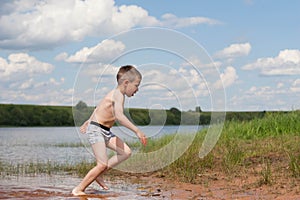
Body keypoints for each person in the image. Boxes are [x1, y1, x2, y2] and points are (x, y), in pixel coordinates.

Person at [72, 65, 147, 196]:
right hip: (96, 130)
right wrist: (137, 131)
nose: (137, 89)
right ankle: (78, 189)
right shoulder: (117, 95)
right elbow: (119, 117)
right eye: (136, 85)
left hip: (105, 130)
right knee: (102, 163)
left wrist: (89, 120)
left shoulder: (117, 94)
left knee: (126, 152)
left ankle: (99, 175)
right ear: (126, 83)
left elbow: (99, 107)